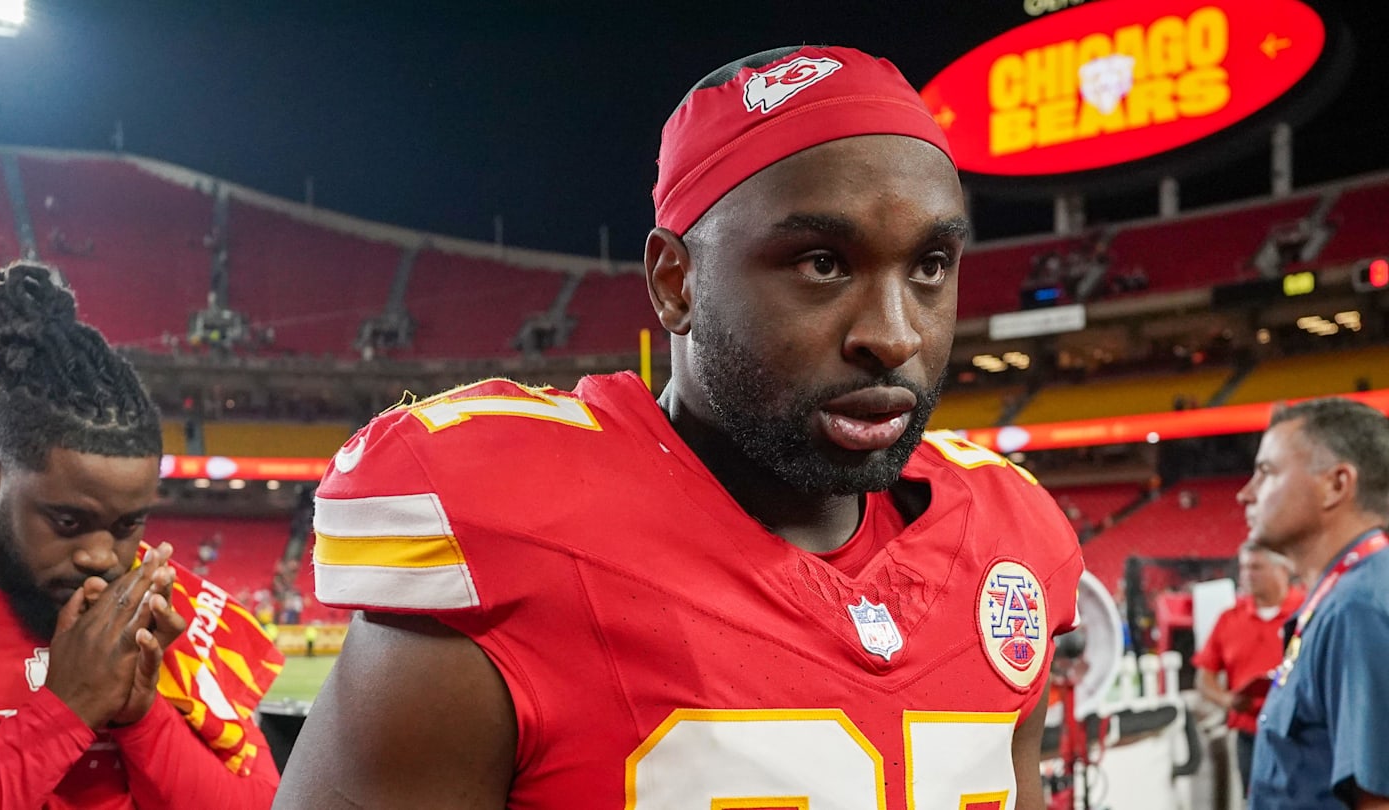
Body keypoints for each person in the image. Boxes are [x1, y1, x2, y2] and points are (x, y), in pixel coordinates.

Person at [277, 45, 1083, 809]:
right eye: (822, 264)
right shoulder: (519, 539)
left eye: (929, 267)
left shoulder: (1008, 544)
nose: (896, 335)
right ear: (675, 283)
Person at [0, 262, 280, 808]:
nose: (102, 556)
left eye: (128, 525)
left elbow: (260, 801)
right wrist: (68, 710)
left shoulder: (160, 617)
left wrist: (142, 717)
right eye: (68, 522)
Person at [1237, 397, 1389, 808]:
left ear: (1337, 485)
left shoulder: (1358, 608)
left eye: (1266, 472)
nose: (1244, 494)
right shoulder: (1348, 596)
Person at [1193, 540, 1304, 796]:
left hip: (1300, 733)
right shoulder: (1229, 618)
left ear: (1282, 570)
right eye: (1244, 568)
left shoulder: (1306, 610)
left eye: (1256, 567)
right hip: (1250, 734)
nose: (1247, 575)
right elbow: (1204, 676)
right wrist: (1227, 700)